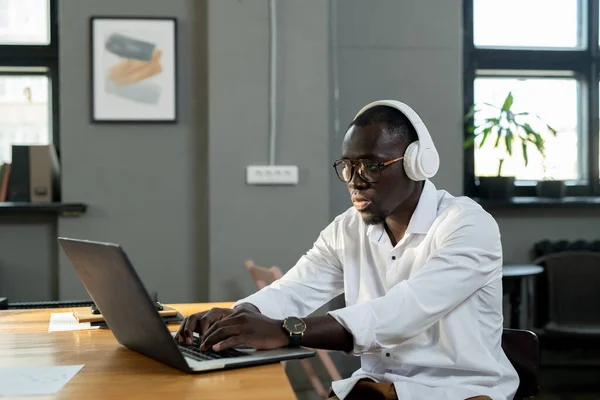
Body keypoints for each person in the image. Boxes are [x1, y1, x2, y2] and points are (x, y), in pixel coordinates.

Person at [175, 100, 519, 400]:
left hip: (459, 392)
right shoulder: (348, 228)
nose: (355, 179)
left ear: (417, 164)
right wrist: (238, 315)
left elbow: (404, 311)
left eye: (371, 165)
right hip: (379, 388)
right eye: (347, 166)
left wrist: (286, 331)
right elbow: (295, 288)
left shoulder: (468, 225)